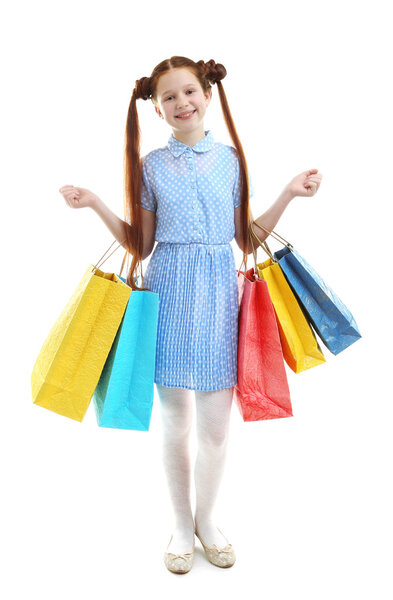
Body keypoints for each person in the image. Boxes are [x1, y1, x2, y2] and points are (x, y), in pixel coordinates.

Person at [59, 56, 322, 574]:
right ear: (156, 110)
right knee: (176, 422)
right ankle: (181, 524)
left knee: (217, 429)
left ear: (207, 93)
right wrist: (94, 203)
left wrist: (289, 194)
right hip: (170, 289)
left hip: (220, 294)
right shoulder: (151, 166)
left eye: (188, 92)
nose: (181, 103)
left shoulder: (230, 159)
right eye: (169, 98)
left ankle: (209, 521)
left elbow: (245, 239)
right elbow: (141, 244)